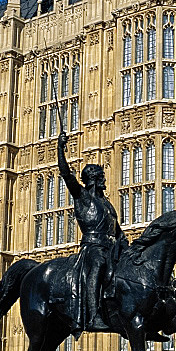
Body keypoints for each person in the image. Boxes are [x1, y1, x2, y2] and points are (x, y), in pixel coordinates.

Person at [58, 131, 125, 338]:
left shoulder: (107, 204)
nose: (105, 180)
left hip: (111, 247)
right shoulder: (82, 197)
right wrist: (60, 148)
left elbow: (118, 231)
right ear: (94, 179)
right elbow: (66, 174)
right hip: (93, 248)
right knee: (98, 264)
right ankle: (93, 315)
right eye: (102, 177)